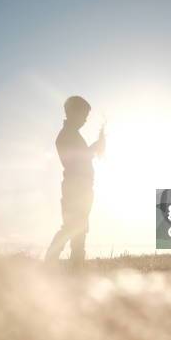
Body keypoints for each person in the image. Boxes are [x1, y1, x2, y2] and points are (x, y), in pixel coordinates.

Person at [45, 96, 105, 268]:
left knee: (80, 228)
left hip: (83, 187)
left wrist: (93, 148)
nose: (86, 120)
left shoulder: (73, 135)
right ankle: (51, 263)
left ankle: (76, 266)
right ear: (72, 112)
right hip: (75, 187)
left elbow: (82, 158)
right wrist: (95, 147)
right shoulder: (65, 136)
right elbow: (76, 161)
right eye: (83, 115)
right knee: (72, 227)